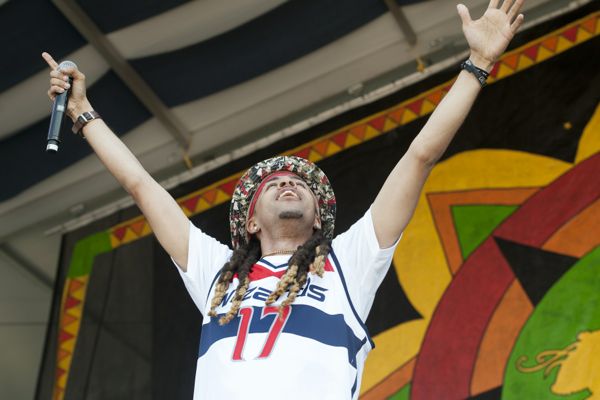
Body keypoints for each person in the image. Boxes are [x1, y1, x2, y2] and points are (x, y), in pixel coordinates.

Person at [43, 1, 525, 398]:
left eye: (300, 184)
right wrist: (83, 112)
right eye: (272, 185)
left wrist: (477, 65)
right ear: (250, 222)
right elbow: (141, 186)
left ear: (319, 220)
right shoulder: (217, 274)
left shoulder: (348, 263)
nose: (287, 183)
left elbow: (420, 156)